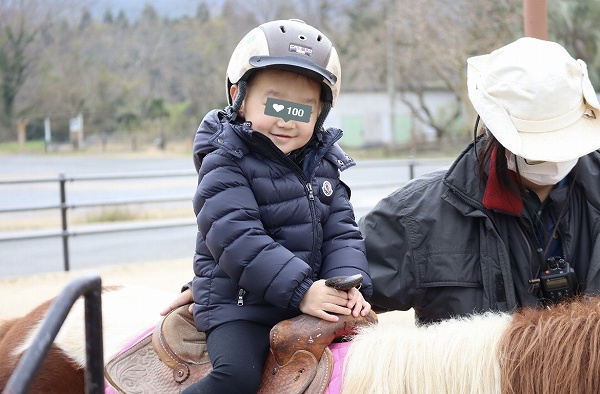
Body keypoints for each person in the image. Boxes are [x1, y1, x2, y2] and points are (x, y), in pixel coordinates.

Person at [170, 19, 372, 394]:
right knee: (237, 378)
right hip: (241, 305)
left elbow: (342, 232)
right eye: (275, 103)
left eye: (303, 109)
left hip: (305, 299)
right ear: (239, 97)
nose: (286, 120)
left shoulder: (324, 165)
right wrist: (303, 290)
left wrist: (348, 285)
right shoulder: (225, 161)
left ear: (320, 113)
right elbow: (238, 239)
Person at [360, 37, 600, 324]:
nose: (554, 160)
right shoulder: (416, 217)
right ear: (491, 129)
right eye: (537, 151)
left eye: (566, 143)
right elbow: (339, 297)